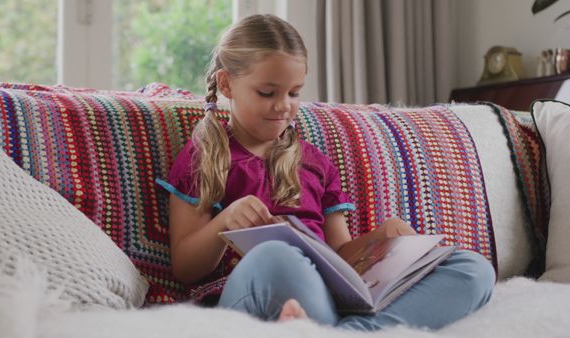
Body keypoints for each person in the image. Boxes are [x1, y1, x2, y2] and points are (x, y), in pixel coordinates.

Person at [157, 14, 495, 331]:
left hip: (325, 295)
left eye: (294, 93)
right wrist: (225, 220)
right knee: (277, 255)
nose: (284, 105)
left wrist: (381, 241)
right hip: (251, 288)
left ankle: (346, 332)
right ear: (227, 85)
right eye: (267, 92)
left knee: (472, 268)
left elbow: (341, 256)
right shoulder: (206, 157)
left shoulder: (314, 163)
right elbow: (185, 267)